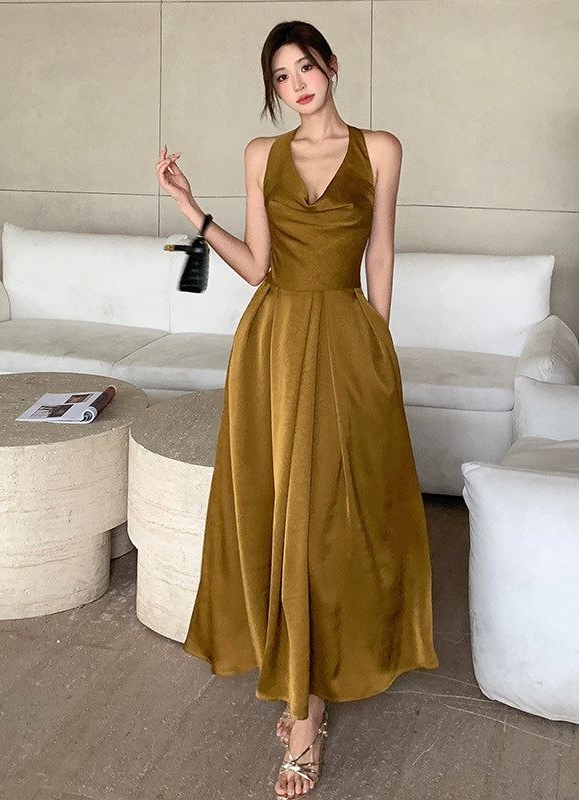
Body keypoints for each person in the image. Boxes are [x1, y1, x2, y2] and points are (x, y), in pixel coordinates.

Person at [155, 20, 439, 799]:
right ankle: (303, 707)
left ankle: (312, 687)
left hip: (347, 339)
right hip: (273, 347)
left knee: (332, 519)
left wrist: (379, 345)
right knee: (282, 514)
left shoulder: (380, 148)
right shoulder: (261, 155)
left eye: (305, 67)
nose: (296, 85)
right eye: (281, 77)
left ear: (331, 66)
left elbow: (380, 250)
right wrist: (189, 208)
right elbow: (256, 267)